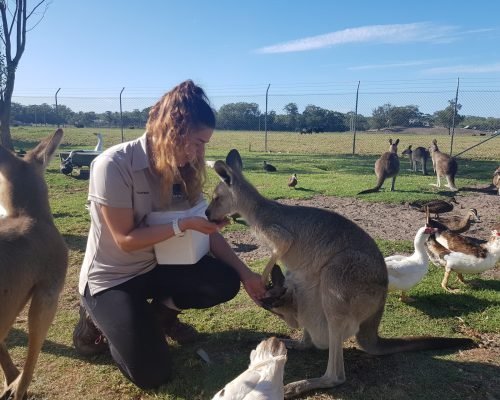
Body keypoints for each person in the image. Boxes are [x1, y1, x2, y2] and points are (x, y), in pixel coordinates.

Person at [73, 79, 266, 389]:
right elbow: (125, 239)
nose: (199, 152)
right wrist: (182, 226)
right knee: (152, 373)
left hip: (159, 266)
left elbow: (208, 230)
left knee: (224, 280)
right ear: (169, 131)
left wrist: (246, 274)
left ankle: (160, 318)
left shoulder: (185, 169)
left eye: (205, 143)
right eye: (196, 141)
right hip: (113, 277)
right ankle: (96, 318)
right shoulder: (113, 165)